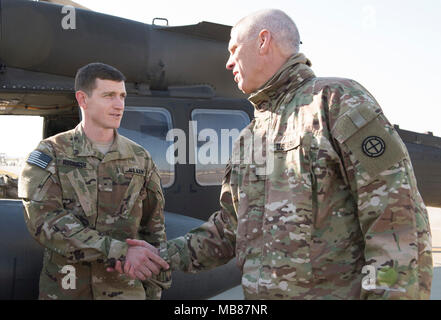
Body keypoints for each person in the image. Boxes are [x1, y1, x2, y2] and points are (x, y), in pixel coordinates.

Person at [114, 9, 433, 299]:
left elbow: (397, 224)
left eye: (233, 50)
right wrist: (159, 255)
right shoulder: (250, 136)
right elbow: (229, 230)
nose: (227, 63)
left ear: (263, 41)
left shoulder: (335, 101)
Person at [18, 62, 170, 300]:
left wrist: (154, 288)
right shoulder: (51, 154)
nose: (119, 105)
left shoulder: (140, 158)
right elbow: (44, 221)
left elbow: (154, 228)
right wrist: (118, 251)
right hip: (67, 290)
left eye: (122, 96)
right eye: (109, 95)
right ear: (83, 99)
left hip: (125, 291)